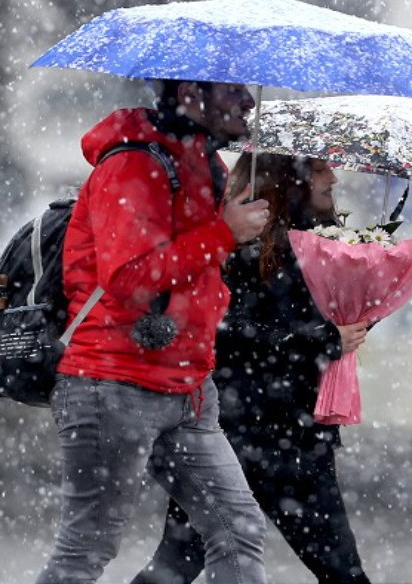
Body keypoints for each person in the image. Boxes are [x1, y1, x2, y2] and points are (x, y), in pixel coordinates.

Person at [37, 80, 271, 584]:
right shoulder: (133, 164)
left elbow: (200, 267)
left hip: (188, 389)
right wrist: (224, 233)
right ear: (190, 92)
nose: (248, 101)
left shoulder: (206, 163)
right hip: (112, 383)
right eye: (233, 90)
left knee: (238, 529)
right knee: (86, 549)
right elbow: (128, 278)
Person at [133, 153, 374, 584]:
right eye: (321, 168)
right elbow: (226, 331)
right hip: (238, 432)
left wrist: (362, 313)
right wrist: (321, 339)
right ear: (288, 177)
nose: (334, 178)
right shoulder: (237, 243)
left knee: (342, 573)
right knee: (177, 563)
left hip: (296, 436)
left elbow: (316, 327)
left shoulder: (325, 243)